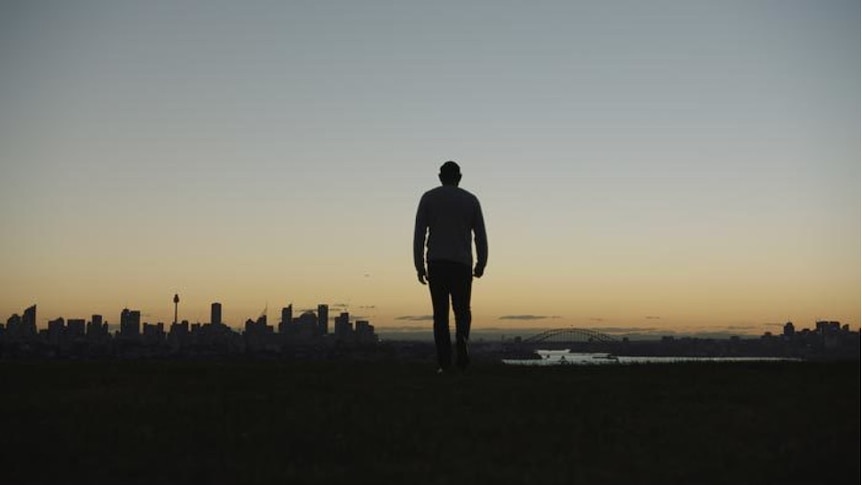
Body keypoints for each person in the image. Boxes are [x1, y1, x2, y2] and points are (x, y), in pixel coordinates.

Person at [413, 161, 488, 372]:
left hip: (436, 262)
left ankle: (444, 363)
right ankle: (462, 344)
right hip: (461, 263)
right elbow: (480, 235)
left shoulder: (428, 198)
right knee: (463, 310)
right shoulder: (471, 200)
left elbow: (419, 234)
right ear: (460, 177)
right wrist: (482, 262)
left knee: (440, 314)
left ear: (440, 176)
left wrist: (419, 265)